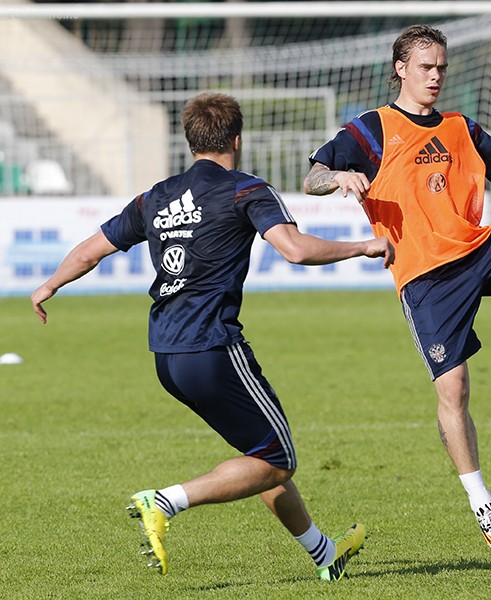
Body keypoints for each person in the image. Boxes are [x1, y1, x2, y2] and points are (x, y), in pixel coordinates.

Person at [31, 92, 395, 581]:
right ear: (237, 140)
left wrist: (49, 283)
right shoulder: (246, 190)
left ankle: (323, 554)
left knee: (258, 454)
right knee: (277, 459)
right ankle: (165, 501)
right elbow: (295, 249)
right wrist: (364, 245)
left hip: (166, 355)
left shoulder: (156, 197)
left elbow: (91, 251)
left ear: (190, 142)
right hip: (213, 347)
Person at [303, 25, 491, 554]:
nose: (436, 76)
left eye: (441, 67)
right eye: (425, 67)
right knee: (455, 391)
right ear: (401, 69)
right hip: (425, 276)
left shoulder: (462, 126)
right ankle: (482, 502)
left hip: (480, 248)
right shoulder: (373, 129)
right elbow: (313, 175)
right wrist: (339, 178)